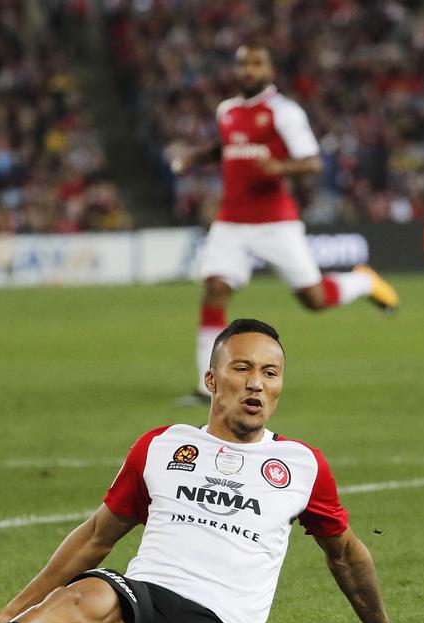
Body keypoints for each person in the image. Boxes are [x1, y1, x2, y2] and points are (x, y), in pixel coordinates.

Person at [0, 319, 424, 623]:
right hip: (138, 603)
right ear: (211, 380)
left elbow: (346, 556)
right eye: (243, 368)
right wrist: (12, 611)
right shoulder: (162, 444)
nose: (256, 383)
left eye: (270, 373)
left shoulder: (301, 464)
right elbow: (97, 536)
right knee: (84, 595)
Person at [171, 44, 400, 405]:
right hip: (230, 220)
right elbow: (225, 145)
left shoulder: (284, 112)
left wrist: (280, 168)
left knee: (314, 298)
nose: (248, 69)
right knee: (214, 288)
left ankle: (364, 280)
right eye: (243, 63)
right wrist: (193, 157)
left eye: (256, 63)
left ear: (270, 70)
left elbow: (311, 162)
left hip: (275, 222)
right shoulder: (227, 110)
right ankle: (207, 387)